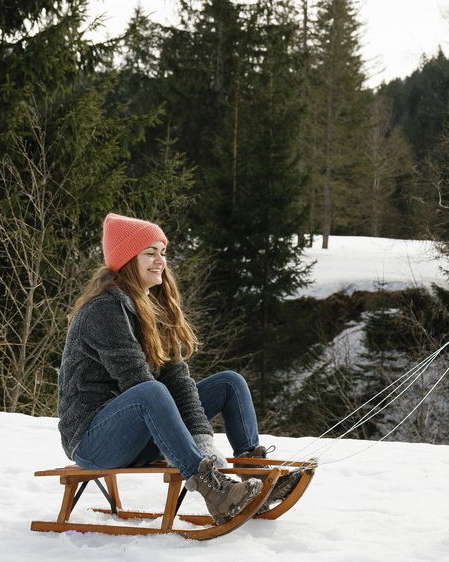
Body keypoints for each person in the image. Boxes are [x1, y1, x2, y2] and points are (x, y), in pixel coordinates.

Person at [57, 213, 289, 522]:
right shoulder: (103, 310)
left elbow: (177, 379)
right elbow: (137, 382)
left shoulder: (151, 306)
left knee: (229, 383)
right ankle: (215, 491)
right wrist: (198, 447)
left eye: (162, 252)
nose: (160, 261)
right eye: (150, 253)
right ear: (128, 259)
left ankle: (255, 480)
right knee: (149, 391)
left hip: (140, 431)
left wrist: (202, 437)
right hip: (93, 440)